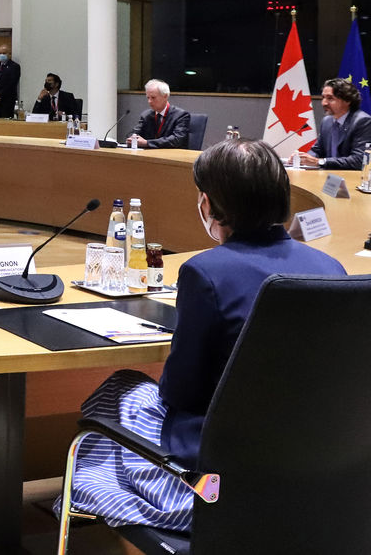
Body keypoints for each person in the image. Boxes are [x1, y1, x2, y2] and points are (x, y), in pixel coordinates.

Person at [56, 138, 344, 531]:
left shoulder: (205, 272)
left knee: (120, 389)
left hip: (218, 477)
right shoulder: (331, 269)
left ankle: (91, 500)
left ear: (207, 204)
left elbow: (180, 393)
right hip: (315, 474)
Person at [298, 77, 371, 169]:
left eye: (330, 98)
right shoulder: (327, 121)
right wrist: (303, 158)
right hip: (328, 175)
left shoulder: (362, 121)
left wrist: (320, 162)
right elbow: (317, 150)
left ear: (347, 100)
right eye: (323, 97)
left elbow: (359, 160)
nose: (324, 103)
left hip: (351, 176)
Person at [126, 79, 191, 149]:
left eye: (153, 98)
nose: (149, 101)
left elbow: (177, 139)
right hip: (150, 154)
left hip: (172, 153)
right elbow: (133, 133)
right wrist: (132, 138)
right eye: (148, 98)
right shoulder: (146, 115)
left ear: (165, 96)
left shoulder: (181, 115)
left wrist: (147, 143)